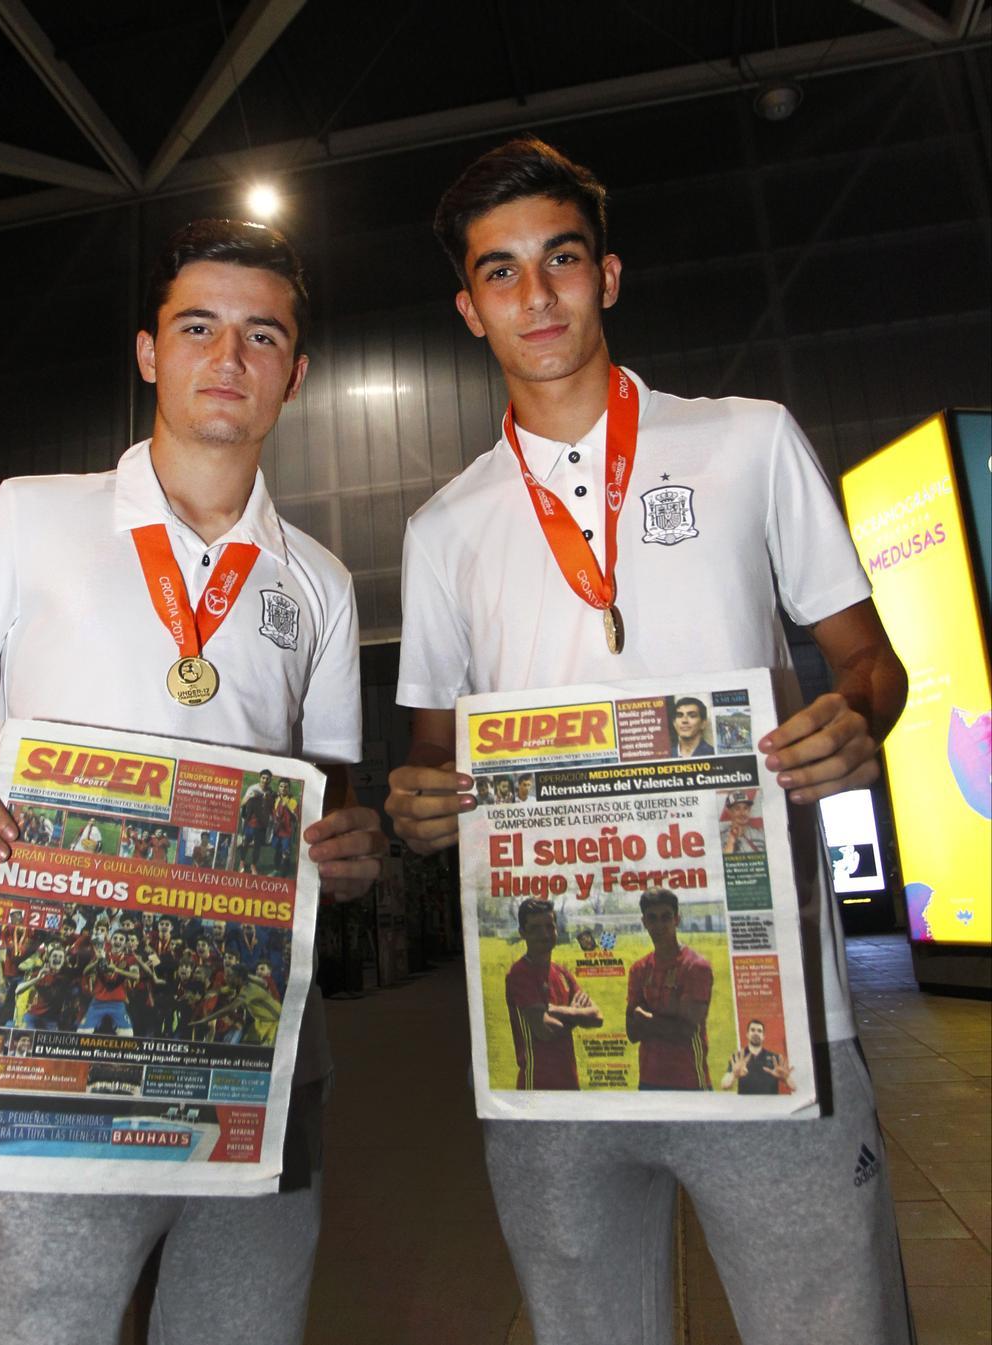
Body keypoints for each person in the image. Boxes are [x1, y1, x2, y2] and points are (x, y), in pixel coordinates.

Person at [384, 137, 912, 1345]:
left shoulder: (747, 442)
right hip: (554, 1048)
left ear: (607, 276)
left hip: (778, 1008)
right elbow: (431, 757)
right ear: (469, 308)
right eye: (502, 273)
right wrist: (419, 806)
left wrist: (854, 717)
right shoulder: (443, 525)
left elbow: (867, 656)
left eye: (560, 260)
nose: (539, 296)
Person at [0, 217, 386, 1345]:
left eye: (260, 335)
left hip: (257, 1056)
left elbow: (326, 796)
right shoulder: (33, 516)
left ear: (296, 372)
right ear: (150, 352)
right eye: (198, 328)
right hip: (48, 1057)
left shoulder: (323, 583)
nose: (227, 359)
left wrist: (352, 845)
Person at [505, 897, 603, 1089]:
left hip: (569, 1082)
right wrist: (577, 1014)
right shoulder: (520, 973)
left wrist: (556, 1011)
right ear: (522, 933)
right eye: (535, 928)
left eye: (549, 926)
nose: (545, 934)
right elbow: (545, 1031)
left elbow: (597, 1017)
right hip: (537, 1084)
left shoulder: (562, 973)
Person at [625, 890, 713, 1091]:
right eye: (652, 918)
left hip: (689, 1080)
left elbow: (685, 1031)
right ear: (644, 922)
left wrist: (646, 1019)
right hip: (648, 1080)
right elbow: (632, 1032)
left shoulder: (695, 967)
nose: (659, 925)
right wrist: (667, 1022)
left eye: (666, 917)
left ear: (677, 919)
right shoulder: (639, 969)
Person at [723, 1019, 795, 1095]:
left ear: (763, 1036)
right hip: (745, 1105)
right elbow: (724, 1085)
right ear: (747, 1034)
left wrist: (786, 1078)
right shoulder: (738, 1057)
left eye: (759, 1031)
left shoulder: (775, 1059)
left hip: (770, 1105)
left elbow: (794, 1087)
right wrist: (733, 1074)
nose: (756, 1033)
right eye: (752, 1030)